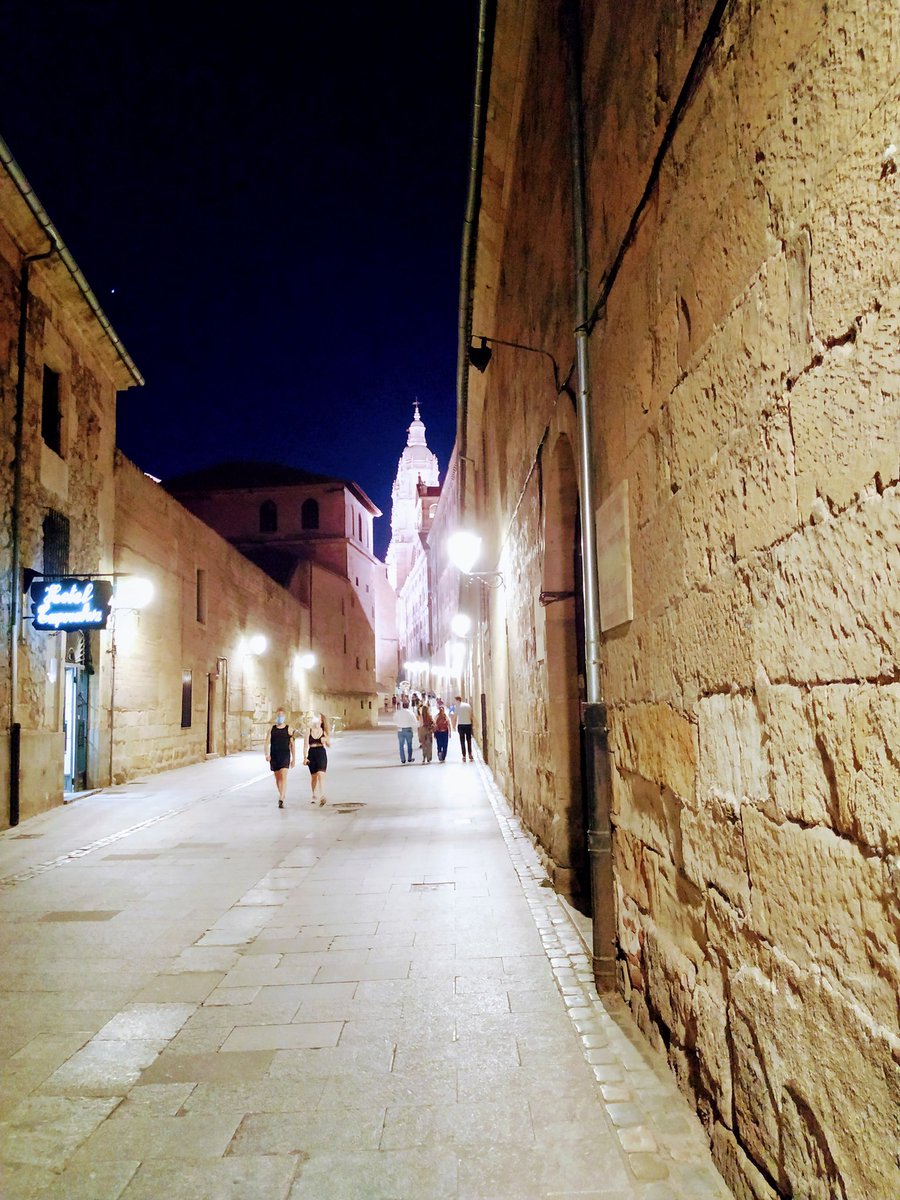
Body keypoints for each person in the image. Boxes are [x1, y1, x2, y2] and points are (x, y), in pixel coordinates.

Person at [264, 706, 295, 808]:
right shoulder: (271, 730)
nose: (280, 718)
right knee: (277, 777)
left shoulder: (289, 729)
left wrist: (294, 759)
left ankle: (281, 797)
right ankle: (282, 793)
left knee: (283, 776)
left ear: (284, 717)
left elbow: (292, 745)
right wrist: (267, 754)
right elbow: (266, 743)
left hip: (285, 755)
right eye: (278, 716)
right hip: (274, 755)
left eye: (281, 716)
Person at [303, 712, 330, 805]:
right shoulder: (308, 731)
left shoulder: (324, 732)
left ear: (321, 721)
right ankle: (314, 794)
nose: (316, 720)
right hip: (312, 753)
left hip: (321, 753)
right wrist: (305, 757)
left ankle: (322, 795)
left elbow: (329, 744)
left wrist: (326, 740)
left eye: (318, 718)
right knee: (314, 776)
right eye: (315, 718)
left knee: (321, 774)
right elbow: (305, 745)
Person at [394, 698, 416, 763]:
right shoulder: (410, 713)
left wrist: (399, 724)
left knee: (401, 745)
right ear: (408, 705)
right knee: (409, 744)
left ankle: (403, 759)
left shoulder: (398, 712)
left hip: (400, 729)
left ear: (402, 705)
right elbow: (414, 721)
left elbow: (394, 720)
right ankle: (409, 758)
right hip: (408, 729)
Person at [455, 694, 474, 762]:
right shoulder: (468, 705)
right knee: (469, 740)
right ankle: (470, 754)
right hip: (468, 724)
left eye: (455, 701)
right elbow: (471, 715)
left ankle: (464, 755)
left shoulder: (457, 706)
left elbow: (455, 716)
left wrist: (454, 726)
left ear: (457, 700)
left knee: (462, 741)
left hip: (461, 725)